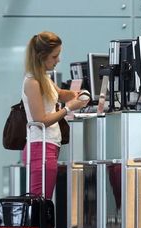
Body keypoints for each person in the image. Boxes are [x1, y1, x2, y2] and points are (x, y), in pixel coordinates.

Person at [22, 31, 88, 199]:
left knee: (43, 201)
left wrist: (75, 95)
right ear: (41, 56)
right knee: (40, 201)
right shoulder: (32, 82)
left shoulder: (43, 77)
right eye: (54, 56)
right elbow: (41, 120)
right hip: (41, 147)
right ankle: (42, 227)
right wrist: (68, 108)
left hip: (48, 146)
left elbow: (58, 94)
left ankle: (45, 226)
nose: (58, 60)